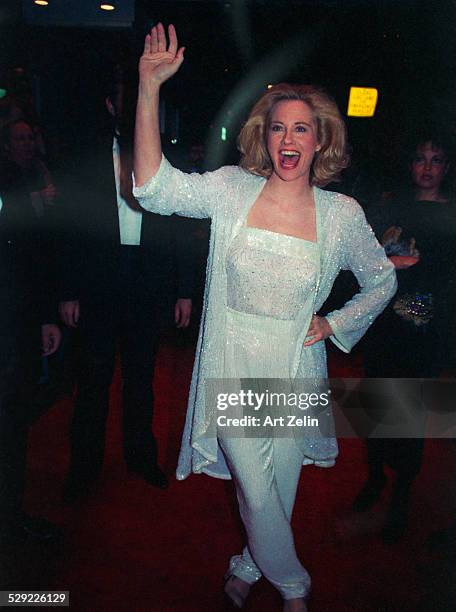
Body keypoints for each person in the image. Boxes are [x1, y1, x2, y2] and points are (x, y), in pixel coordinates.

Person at [133, 24, 396, 611]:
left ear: (321, 139)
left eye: (301, 127)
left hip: (296, 365)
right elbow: (152, 189)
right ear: (264, 136)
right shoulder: (231, 190)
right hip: (234, 362)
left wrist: (333, 324)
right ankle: (294, 587)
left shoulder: (341, 214)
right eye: (278, 126)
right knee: (255, 483)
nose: (287, 138)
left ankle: (249, 562)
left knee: (278, 487)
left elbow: (383, 279)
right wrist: (149, 89)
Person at [57, 66, 195, 502]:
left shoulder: (164, 158)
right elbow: (69, 231)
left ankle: (141, 456)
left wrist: (184, 289)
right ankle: (85, 466)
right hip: (98, 280)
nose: (132, 109)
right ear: (111, 106)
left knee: (141, 379)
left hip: (149, 280)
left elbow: (178, 228)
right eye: (125, 101)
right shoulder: (85, 159)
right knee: (93, 379)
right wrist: (67, 292)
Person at [354, 132, 456, 543]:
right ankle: (376, 476)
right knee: (375, 404)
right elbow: (371, 261)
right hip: (384, 326)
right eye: (420, 158)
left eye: (436, 160)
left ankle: (401, 493)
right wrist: (392, 262)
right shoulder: (390, 207)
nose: (427, 167)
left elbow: (443, 278)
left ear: (446, 167)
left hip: (425, 331)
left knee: (409, 413)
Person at [0, 150, 61, 555]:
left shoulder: (9, 170)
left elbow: (27, 250)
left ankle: (9, 519)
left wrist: (43, 317)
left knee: (10, 432)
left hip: (11, 329)